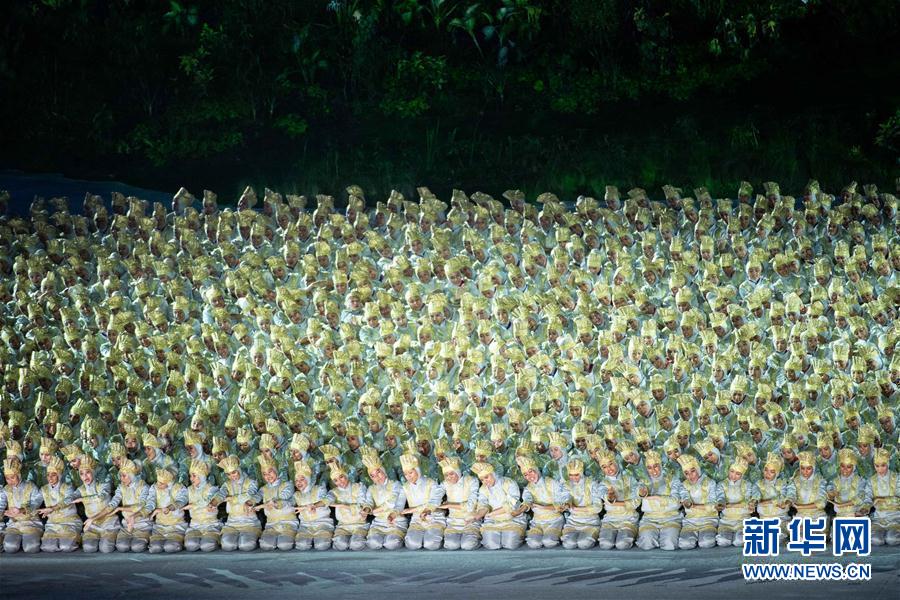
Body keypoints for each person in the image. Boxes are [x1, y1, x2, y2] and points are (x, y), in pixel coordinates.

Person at [635, 450, 683, 551]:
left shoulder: (673, 479)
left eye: (656, 466)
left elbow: (676, 502)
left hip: (671, 518)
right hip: (649, 519)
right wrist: (641, 494)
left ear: (661, 465)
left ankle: (663, 537)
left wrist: (656, 498)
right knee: (647, 544)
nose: (653, 470)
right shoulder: (643, 481)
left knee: (670, 544)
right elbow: (638, 495)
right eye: (649, 467)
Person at [518, 455, 569, 548]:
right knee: (533, 543)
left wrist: (541, 507)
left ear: (536, 470)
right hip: (537, 521)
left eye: (531, 471)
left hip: (554, 520)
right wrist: (520, 509)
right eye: (525, 474)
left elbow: (561, 505)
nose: (529, 476)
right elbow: (527, 500)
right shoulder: (528, 488)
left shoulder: (552, 483)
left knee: (549, 542)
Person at [472, 461, 526, 550]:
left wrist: (491, 514)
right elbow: (483, 504)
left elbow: (511, 504)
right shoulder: (483, 489)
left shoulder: (508, 482)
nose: (485, 481)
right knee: (491, 545)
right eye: (482, 480)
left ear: (493, 474)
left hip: (512, 519)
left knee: (510, 544)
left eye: (486, 477)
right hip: (493, 520)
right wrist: (477, 515)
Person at [596, 450, 640, 550]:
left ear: (616, 462)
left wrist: (614, 503)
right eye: (604, 467)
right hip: (610, 519)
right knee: (605, 544)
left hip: (629, 518)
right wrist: (610, 497)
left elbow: (636, 502)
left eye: (610, 464)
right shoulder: (603, 483)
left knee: (622, 544)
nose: (609, 469)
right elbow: (605, 495)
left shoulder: (630, 478)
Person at [400, 453, 446, 550]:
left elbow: (435, 501)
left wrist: (413, 510)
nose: (408, 476)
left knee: (430, 544)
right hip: (417, 520)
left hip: (435, 518)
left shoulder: (431, 483)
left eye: (410, 472)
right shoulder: (405, 487)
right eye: (405, 474)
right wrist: (394, 513)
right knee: (412, 544)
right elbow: (399, 503)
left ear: (417, 470)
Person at [677, 454, 723, 550]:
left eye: (693, 471)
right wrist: (686, 502)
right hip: (690, 521)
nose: (690, 476)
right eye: (686, 473)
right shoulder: (683, 485)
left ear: (698, 469)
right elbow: (684, 496)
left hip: (709, 519)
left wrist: (693, 506)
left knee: (706, 543)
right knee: (685, 544)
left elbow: (713, 505)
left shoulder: (710, 483)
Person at [109, 459, 155, 552]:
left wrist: (120, 508)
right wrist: (107, 510)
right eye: (120, 476)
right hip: (127, 525)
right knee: (122, 547)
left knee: (137, 547)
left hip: (143, 525)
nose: (121, 479)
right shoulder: (121, 487)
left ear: (132, 475)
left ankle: (147, 536)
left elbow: (141, 505)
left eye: (124, 476)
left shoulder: (144, 487)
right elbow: (114, 501)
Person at [362, 454, 407, 550]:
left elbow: (393, 501)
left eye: (378, 472)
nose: (377, 477)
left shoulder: (396, 484)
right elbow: (368, 502)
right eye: (373, 476)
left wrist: (375, 511)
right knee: (373, 543)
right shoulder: (371, 488)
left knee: (391, 543)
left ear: (384, 471)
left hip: (396, 521)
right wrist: (366, 510)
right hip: (379, 522)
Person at [218, 455, 262, 552]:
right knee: (227, 546)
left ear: (239, 470)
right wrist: (214, 502)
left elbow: (250, 495)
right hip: (232, 523)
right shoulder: (226, 484)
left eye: (234, 472)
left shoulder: (251, 482)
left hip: (250, 523)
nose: (232, 476)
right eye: (228, 474)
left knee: (245, 546)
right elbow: (220, 494)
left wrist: (231, 499)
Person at [76, 454, 118, 553]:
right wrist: (54, 507)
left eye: (88, 472)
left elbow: (102, 496)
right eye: (81, 474)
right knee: (89, 548)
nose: (85, 476)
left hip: (108, 523)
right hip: (92, 525)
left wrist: (84, 499)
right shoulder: (81, 489)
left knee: (105, 549)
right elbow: (69, 498)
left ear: (93, 472)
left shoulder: (104, 485)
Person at [37, 456, 81, 552]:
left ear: (59, 475)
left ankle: (77, 538)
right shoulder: (44, 489)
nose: (50, 478)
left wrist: (52, 508)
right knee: (48, 547)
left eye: (53, 475)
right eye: (48, 475)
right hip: (52, 523)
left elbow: (69, 499)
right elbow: (35, 502)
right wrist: (22, 510)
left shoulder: (68, 487)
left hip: (69, 522)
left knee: (66, 547)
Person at [439, 457, 481, 551]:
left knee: (467, 545)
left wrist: (449, 505)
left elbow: (471, 505)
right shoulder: (444, 484)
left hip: (471, 520)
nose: (449, 477)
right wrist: (430, 507)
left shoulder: (472, 481)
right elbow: (435, 497)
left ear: (457, 472)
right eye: (446, 475)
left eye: (451, 473)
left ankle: (477, 538)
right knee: (451, 545)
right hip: (454, 521)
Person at [3, 457, 43, 553]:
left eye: (12, 477)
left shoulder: (31, 486)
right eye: (7, 478)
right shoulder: (6, 489)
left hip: (31, 523)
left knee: (31, 548)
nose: (10, 481)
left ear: (19, 475)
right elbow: (1, 504)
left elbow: (36, 503)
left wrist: (21, 510)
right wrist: (4, 512)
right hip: (14, 524)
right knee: (9, 547)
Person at [716, 458, 759, 547]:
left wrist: (751, 503)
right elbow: (720, 497)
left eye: (738, 474)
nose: (733, 475)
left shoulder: (747, 485)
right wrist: (721, 503)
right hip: (726, 520)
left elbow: (748, 499)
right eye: (732, 471)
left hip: (743, 519)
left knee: (740, 542)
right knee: (723, 542)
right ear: (728, 470)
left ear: (742, 475)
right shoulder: (721, 484)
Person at [292, 460, 334, 551]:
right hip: (305, 525)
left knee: (321, 545)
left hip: (323, 523)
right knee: (302, 545)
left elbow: (329, 498)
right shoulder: (296, 495)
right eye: (296, 480)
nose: (299, 483)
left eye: (302, 479)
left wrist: (314, 505)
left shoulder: (319, 489)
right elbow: (289, 506)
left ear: (308, 479)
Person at [184, 459, 223, 552]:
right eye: (190, 476)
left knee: (207, 546)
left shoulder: (212, 489)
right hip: (195, 526)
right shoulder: (189, 490)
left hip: (211, 525)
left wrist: (193, 505)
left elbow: (208, 500)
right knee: (191, 545)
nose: (191, 479)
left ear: (202, 476)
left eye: (194, 476)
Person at [329, 465, 371, 551]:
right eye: (335, 480)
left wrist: (341, 505)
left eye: (341, 477)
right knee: (341, 545)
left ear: (346, 475)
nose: (340, 482)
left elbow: (362, 505)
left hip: (360, 524)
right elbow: (327, 499)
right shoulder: (333, 492)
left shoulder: (359, 487)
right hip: (343, 526)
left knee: (356, 544)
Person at [754, 453, 794, 543]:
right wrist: (755, 501)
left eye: (772, 472)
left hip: (780, 518)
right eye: (766, 470)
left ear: (777, 473)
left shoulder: (782, 483)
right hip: (764, 518)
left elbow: (784, 498)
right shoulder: (758, 484)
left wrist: (769, 501)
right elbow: (756, 496)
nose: (767, 474)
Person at [148, 467, 189, 553]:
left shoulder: (179, 488)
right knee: (155, 548)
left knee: (170, 547)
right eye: (157, 481)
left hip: (176, 525)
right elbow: (150, 500)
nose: (158, 484)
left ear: (169, 483)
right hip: (160, 526)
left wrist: (169, 508)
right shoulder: (154, 488)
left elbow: (181, 500)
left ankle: (178, 542)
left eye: (161, 483)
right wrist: (148, 510)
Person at [869, 448, 900, 546]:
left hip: (895, 518)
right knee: (876, 540)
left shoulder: (897, 478)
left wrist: (881, 499)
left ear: (888, 464)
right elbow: (867, 497)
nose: (880, 469)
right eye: (877, 466)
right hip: (878, 519)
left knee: (891, 539)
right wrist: (864, 507)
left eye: (883, 465)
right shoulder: (872, 480)